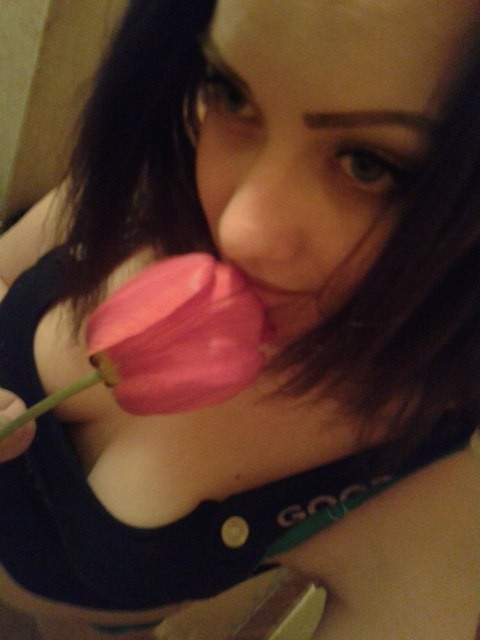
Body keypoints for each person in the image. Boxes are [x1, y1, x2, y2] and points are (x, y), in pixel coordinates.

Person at [0, 0, 479, 637]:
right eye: (230, 93)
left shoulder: (423, 489)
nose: (236, 230)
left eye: (367, 165)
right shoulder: (162, 169)